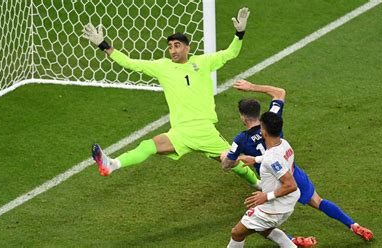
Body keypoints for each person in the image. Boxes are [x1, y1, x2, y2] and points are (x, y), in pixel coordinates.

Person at [82, 8, 259, 188]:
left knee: (230, 161)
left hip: (204, 131)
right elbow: (130, 63)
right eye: (170, 46)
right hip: (180, 132)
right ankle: (112, 164)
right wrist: (103, 45)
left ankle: (258, 183)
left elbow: (231, 53)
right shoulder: (163, 67)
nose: (172, 50)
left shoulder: (203, 62)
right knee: (147, 146)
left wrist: (239, 33)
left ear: (187, 47)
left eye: (177, 45)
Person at [221, 79, 374, 245]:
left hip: (274, 183)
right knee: (319, 202)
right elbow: (280, 92)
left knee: (255, 222)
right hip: (292, 171)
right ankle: (354, 225)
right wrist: (252, 87)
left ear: (243, 117)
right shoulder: (273, 121)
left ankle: (291, 241)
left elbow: (227, 165)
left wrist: (226, 156)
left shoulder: (241, 139)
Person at [227, 112, 300, 248]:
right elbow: (272, 158)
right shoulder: (284, 144)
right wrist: (255, 159)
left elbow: (291, 185)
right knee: (264, 230)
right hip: (288, 202)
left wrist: (266, 196)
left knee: (237, 233)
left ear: (264, 131)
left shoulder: (273, 157)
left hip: (275, 207)